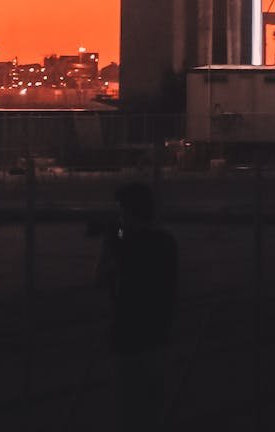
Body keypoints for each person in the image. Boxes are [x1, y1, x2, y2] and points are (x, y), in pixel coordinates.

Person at [99, 179, 179, 427]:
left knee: (126, 415)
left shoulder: (125, 244)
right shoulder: (166, 242)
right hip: (159, 339)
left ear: (128, 211)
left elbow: (100, 276)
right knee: (154, 415)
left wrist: (111, 239)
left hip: (128, 342)